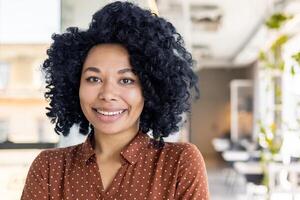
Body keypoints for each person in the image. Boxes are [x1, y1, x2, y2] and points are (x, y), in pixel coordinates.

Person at [21, 1, 209, 199]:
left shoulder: (179, 163)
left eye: (126, 80)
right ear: (75, 86)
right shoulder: (49, 168)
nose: (108, 93)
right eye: (94, 79)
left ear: (150, 88)